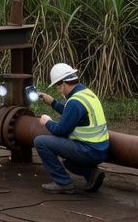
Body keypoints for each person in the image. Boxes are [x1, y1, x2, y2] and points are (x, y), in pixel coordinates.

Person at [32, 63, 109, 194]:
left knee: (41, 142)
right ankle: (91, 174)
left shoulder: (75, 102)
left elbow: (60, 131)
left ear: (63, 83)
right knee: (69, 162)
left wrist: (47, 122)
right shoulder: (85, 93)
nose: (58, 90)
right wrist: (53, 103)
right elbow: (72, 115)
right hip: (100, 149)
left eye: (57, 86)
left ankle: (63, 183)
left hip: (89, 151)